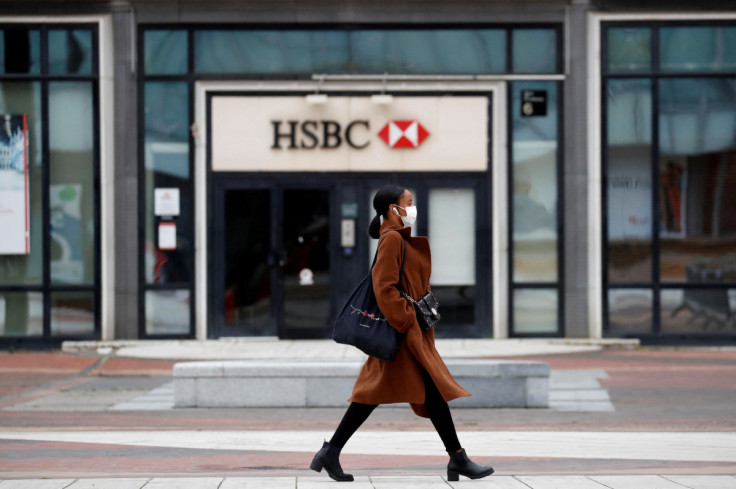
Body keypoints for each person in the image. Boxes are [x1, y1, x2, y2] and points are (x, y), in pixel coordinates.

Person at [310, 184, 494, 482]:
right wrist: (408, 319)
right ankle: (457, 459)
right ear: (393, 209)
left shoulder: (397, 238)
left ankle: (331, 451)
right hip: (403, 333)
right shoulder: (392, 239)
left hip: (408, 333)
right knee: (409, 392)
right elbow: (384, 287)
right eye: (408, 203)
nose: (413, 208)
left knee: (390, 394)